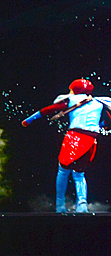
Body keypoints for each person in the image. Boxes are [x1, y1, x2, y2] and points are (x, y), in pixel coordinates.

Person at [22, 78, 109, 213]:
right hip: (91, 140)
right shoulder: (99, 103)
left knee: (63, 171)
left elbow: (48, 110)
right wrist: (99, 126)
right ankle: (82, 206)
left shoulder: (71, 100)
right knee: (79, 174)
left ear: (75, 90)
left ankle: (60, 205)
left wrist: (28, 120)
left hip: (74, 137)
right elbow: (108, 120)